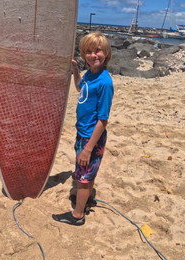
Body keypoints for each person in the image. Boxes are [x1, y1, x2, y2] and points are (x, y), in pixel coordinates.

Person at [52, 32, 113, 226]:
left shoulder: (104, 82)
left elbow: (103, 120)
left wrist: (87, 149)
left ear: (106, 53)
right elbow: (80, 88)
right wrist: (75, 70)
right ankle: (85, 200)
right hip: (84, 134)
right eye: (89, 52)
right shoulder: (90, 74)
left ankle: (78, 215)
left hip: (91, 138)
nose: (94, 55)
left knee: (83, 179)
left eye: (98, 51)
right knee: (87, 174)